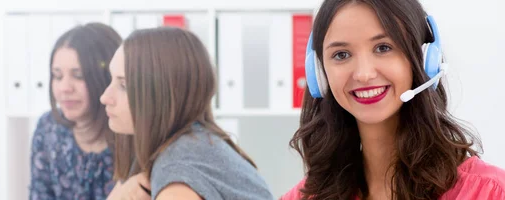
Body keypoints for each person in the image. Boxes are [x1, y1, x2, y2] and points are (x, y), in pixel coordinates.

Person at [281, 0, 505, 199]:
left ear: (425, 59)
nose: (363, 74)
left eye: (383, 48)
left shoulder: (488, 192)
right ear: (319, 73)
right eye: (341, 54)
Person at [100, 27, 274, 200]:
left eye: (123, 85)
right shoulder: (193, 145)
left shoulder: (178, 174)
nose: (105, 97)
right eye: (111, 80)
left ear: (162, 93)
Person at [29, 22, 122, 200]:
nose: (65, 88)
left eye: (78, 76)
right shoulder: (48, 128)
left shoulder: (133, 134)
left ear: (107, 77)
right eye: (57, 76)